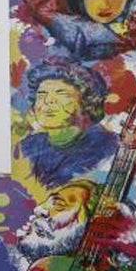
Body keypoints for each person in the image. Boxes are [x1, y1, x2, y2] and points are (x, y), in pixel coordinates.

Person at [15, 59, 117, 188]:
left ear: (86, 102)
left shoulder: (108, 147)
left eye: (61, 94)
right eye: (41, 94)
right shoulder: (28, 147)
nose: (48, 101)